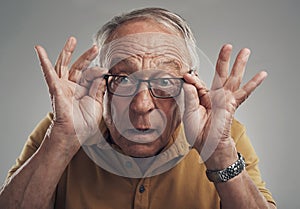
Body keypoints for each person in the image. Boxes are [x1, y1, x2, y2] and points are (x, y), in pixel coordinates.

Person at [0, 7, 276, 209]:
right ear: (99, 83)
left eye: (165, 81)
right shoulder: (61, 128)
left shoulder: (226, 137)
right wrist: (61, 141)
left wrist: (219, 156)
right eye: (122, 79)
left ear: (190, 85)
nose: (142, 105)